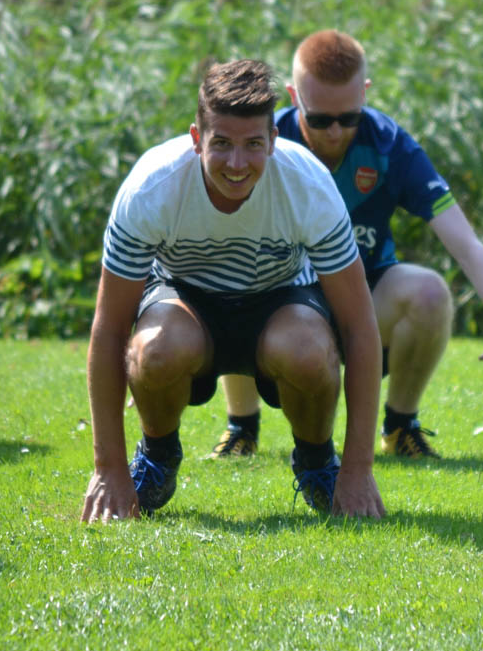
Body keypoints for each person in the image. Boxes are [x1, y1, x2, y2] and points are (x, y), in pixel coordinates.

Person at [207, 30, 483, 461]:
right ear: (293, 96)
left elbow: (466, 243)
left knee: (430, 292)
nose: (335, 132)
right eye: (319, 119)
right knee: (237, 273)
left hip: (362, 296)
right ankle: (242, 427)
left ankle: (401, 426)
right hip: (279, 299)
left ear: (364, 93)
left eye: (349, 117)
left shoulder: (389, 145)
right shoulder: (261, 142)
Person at [79, 59, 385, 522]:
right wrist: (108, 469)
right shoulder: (150, 189)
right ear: (196, 138)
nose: (237, 164)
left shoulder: (309, 186)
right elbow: (109, 329)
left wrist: (359, 469)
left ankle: (318, 462)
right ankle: (157, 456)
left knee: (309, 351)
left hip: (281, 302)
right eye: (221, 143)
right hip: (184, 302)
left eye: (253, 145)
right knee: (154, 350)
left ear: (274, 141)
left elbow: (359, 326)